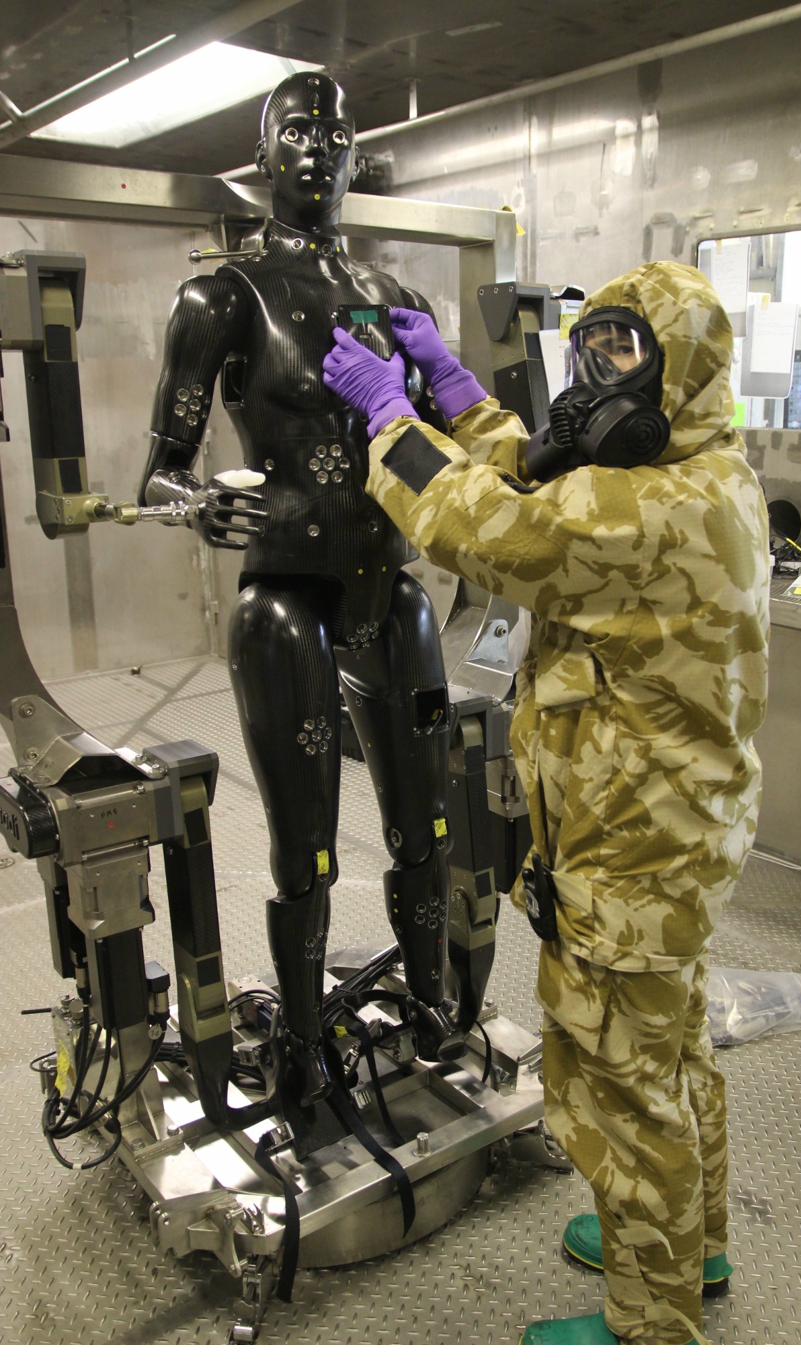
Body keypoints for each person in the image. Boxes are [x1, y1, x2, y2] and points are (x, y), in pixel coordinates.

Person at [322, 261, 770, 1345]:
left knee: (621, 1085)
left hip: (627, 850)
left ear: (685, 368)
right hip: (679, 837)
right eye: (593, 347)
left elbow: (484, 525)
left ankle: (648, 1325)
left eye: (623, 354)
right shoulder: (701, 466)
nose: (595, 377)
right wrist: (455, 387)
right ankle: (689, 1242)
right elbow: (535, 466)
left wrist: (389, 417)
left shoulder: (646, 508)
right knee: (672, 1051)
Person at [138, 72, 465, 1132]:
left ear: (354, 150)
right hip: (284, 595)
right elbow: (162, 468)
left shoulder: (397, 298)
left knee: (426, 820)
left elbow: (447, 439)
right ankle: (305, 1047)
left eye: (334, 132)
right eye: (295, 132)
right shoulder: (226, 296)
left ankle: (431, 1005)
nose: (316, 150)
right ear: (265, 150)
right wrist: (194, 503)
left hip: (390, 587)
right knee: (306, 845)